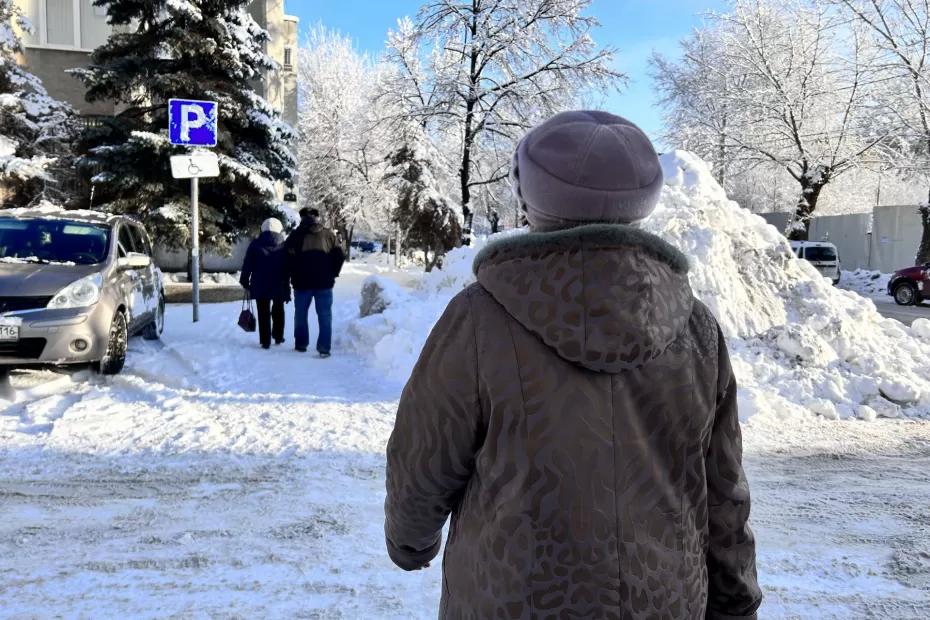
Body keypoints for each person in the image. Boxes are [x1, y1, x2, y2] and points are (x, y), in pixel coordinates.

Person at [384, 111, 762, 619]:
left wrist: (411, 540)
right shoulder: (697, 329)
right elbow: (723, 488)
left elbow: (425, 451)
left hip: (512, 597)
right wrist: (735, 599)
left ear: (533, 200)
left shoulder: (479, 317)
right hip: (661, 599)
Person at [285, 208, 345, 358]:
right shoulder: (328, 234)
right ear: (318, 218)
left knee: (300, 314)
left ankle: (301, 344)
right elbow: (339, 256)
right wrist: (332, 273)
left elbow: (287, 257)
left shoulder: (295, 235)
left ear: (301, 218)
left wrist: (292, 274)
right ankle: (324, 348)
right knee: (325, 316)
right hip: (324, 283)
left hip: (301, 283)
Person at [239, 218, 290, 349]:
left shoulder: (255, 244)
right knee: (279, 309)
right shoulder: (285, 245)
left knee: (263, 312)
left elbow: (247, 264)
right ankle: (278, 336)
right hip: (279, 283)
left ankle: (265, 340)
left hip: (259, 283)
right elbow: (288, 266)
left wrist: (244, 280)